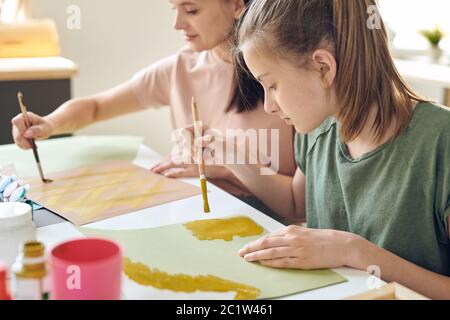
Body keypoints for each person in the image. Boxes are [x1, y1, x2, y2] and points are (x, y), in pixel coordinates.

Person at [192, 0, 450, 299]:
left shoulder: (440, 142)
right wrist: (228, 156)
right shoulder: (317, 129)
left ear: (323, 67)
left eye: (271, 84)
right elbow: (294, 203)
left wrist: (354, 251)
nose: (269, 105)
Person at [11, 0, 296, 221]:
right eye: (174, 9)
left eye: (191, 10)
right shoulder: (180, 68)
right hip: (193, 212)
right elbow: (96, 107)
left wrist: (221, 169)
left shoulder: (284, 76)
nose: (177, 24)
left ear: (236, 5)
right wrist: (48, 123)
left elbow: (299, 201)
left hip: (265, 223)